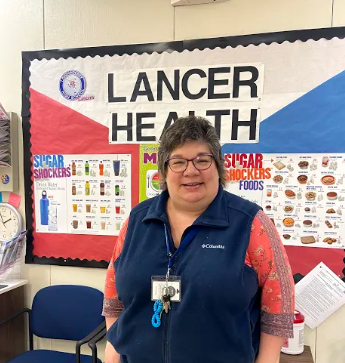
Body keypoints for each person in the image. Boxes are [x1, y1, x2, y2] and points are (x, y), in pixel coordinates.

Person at [102, 116, 295, 363]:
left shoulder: (250, 222)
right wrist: (113, 351)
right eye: (178, 162)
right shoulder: (137, 220)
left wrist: (268, 359)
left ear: (218, 167)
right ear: (163, 170)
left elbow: (279, 301)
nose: (191, 171)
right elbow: (113, 292)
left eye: (202, 160)